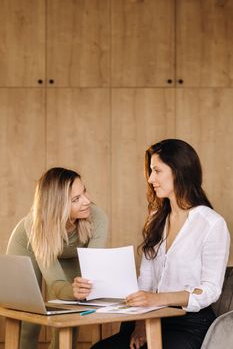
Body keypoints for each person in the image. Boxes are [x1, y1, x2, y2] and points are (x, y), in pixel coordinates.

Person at [91, 139, 230, 349]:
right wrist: (140, 324)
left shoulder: (212, 224)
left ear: (179, 171)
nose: (150, 178)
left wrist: (157, 299)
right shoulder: (155, 219)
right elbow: (146, 280)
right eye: (150, 171)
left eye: (157, 171)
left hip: (188, 324)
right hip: (148, 318)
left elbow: (210, 290)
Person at [6, 167, 108, 349]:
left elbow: (93, 271)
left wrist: (78, 291)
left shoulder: (97, 218)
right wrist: (68, 289)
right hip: (27, 247)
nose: (87, 201)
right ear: (57, 205)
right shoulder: (35, 223)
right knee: (28, 321)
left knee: (71, 315)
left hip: (70, 255)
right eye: (76, 199)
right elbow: (56, 283)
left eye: (84, 191)